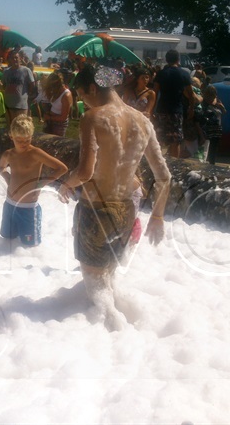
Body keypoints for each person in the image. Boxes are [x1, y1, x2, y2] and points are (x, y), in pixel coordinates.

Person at [59, 64, 171, 331]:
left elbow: (85, 172)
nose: (83, 101)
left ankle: (107, 331)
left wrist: (66, 183)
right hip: (125, 212)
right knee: (107, 275)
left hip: (95, 211)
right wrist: (157, 216)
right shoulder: (143, 121)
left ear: (92, 88)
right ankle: (122, 330)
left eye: (82, 95)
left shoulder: (94, 117)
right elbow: (164, 176)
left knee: (93, 280)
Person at [0, 115, 68, 247]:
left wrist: (42, 183)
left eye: (27, 140)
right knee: (7, 239)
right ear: (11, 136)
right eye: (19, 140)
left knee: (30, 246)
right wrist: (7, 177)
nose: (23, 143)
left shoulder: (36, 153)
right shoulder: (9, 154)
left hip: (28, 209)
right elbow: (0, 167)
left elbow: (62, 168)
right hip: (9, 205)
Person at [153, 49, 199, 158]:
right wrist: (191, 108)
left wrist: (152, 109)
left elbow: (154, 92)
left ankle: (158, 164)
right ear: (178, 59)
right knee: (176, 140)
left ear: (166, 59)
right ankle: (174, 166)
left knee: (159, 139)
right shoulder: (184, 74)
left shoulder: (161, 74)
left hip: (161, 110)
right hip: (176, 111)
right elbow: (191, 94)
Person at [2, 49, 36, 125]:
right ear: (9, 59)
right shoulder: (6, 72)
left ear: (20, 58)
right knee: (10, 127)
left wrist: (27, 96)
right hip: (8, 104)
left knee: (21, 127)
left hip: (21, 105)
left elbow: (32, 85)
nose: (15, 59)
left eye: (16, 57)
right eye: (12, 58)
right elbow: (4, 85)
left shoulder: (26, 70)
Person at [38, 72, 73, 137]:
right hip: (50, 120)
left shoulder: (66, 95)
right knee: (46, 141)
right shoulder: (56, 91)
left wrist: (49, 117)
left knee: (55, 144)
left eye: (52, 86)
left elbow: (63, 117)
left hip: (59, 124)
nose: (51, 88)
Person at [200, 85, 226, 165]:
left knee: (214, 149)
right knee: (205, 148)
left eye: (213, 97)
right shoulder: (203, 104)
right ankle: (204, 163)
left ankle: (212, 164)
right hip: (207, 129)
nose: (211, 99)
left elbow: (224, 112)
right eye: (209, 97)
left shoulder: (217, 101)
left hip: (217, 128)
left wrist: (222, 107)